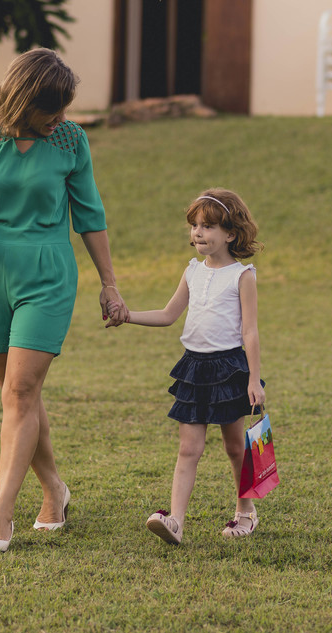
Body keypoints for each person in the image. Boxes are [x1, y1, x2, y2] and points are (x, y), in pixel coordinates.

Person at [0, 48, 127, 553]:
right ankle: (54, 490)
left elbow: (89, 213)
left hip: (47, 272)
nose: (62, 118)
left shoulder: (70, 140)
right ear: (25, 101)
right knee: (17, 394)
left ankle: (1, 515)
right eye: (54, 110)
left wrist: (109, 283)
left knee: (20, 393)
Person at [107, 188, 267, 544]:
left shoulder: (243, 276)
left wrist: (254, 379)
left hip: (229, 368)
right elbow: (168, 315)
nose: (198, 232)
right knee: (188, 448)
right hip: (194, 368)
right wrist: (128, 316)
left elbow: (250, 332)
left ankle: (246, 512)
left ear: (230, 233)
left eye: (208, 226)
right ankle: (175, 520)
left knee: (235, 447)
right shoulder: (192, 271)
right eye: (194, 225)